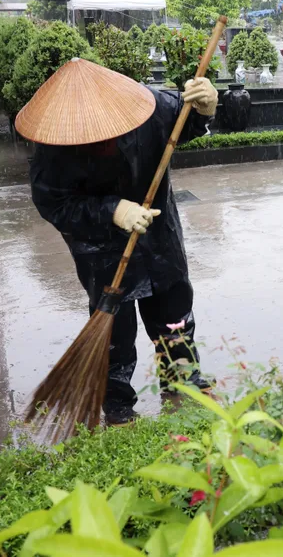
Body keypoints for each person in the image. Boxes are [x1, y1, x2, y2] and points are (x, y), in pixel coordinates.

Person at [19, 58, 218, 425]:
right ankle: (118, 403)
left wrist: (205, 107)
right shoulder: (56, 146)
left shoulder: (149, 107)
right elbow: (53, 202)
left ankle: (184, 381)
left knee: (174, 313)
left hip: (159, 237)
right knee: (114, 330)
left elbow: (185, 120)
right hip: (101, 250)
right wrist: (112, 210)